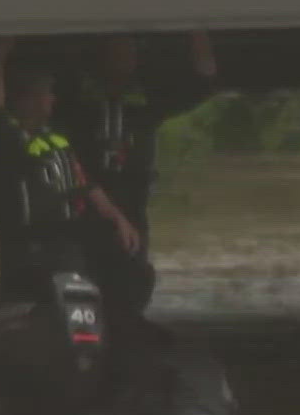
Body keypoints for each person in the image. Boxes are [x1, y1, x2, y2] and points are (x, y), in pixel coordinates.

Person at [53, 32, 219, 327]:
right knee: (87, 280)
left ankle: (128, 329)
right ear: (99, 56)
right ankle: (91, 339)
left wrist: (197, 33)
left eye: (129, 51)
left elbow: (202, 85)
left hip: (132, 203)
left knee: (131, 281)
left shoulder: (146, 99)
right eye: (116, 51)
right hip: (87, 206)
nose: (124, 58)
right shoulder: (78, 102)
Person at [0, 38, 140, 306]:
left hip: (67, 246)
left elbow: (86, 185)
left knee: (80, 305)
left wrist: (119, 218)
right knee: (33, 311)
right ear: (25, 100)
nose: (53, 99)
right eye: (46, 93)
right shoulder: (4, 140)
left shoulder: (57, 140)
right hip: (27, 247)